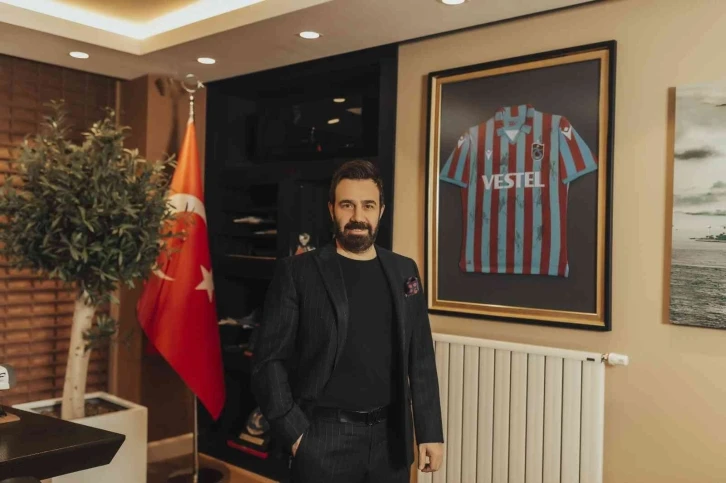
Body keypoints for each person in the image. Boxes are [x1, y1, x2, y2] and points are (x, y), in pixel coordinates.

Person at [251, 160, 444, 482]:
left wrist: (430, 432)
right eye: (347, 205)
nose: (357, 216)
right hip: (323, 438)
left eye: (368, 205)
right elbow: (268, 360)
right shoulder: (298, 272)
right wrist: (294, 432)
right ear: (332, 209)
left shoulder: (404, 270)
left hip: (391, 441)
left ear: (381, 211)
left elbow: (420, 356)